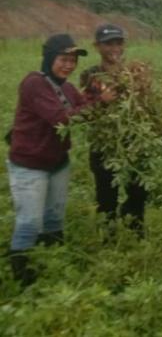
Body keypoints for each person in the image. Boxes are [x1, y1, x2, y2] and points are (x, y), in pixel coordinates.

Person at [6, 34, 114, 285]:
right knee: (30, 222)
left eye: (73, 60)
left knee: (54, 216)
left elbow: (81, 103)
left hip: (57, 162)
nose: (69, 65)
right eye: (64, 59)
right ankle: (23, 277)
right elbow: (63, 119)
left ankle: (53, 261)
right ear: (48, 58)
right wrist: (101, 102)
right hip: (29, 165)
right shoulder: (34, 83)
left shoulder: (65, 87)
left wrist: (97, 94)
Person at [79, 24, 148, 235]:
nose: (114, 48)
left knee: (138, 190)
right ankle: (108, 235)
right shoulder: (91, 75)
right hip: (105, 143)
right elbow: (84, 110)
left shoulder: (135, 72)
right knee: (106, 193)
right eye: (108, 44)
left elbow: (146, 105)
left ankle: (136, 230)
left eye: (118, 43)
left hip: (133, 141)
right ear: (97, 46)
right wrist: (102, 100)